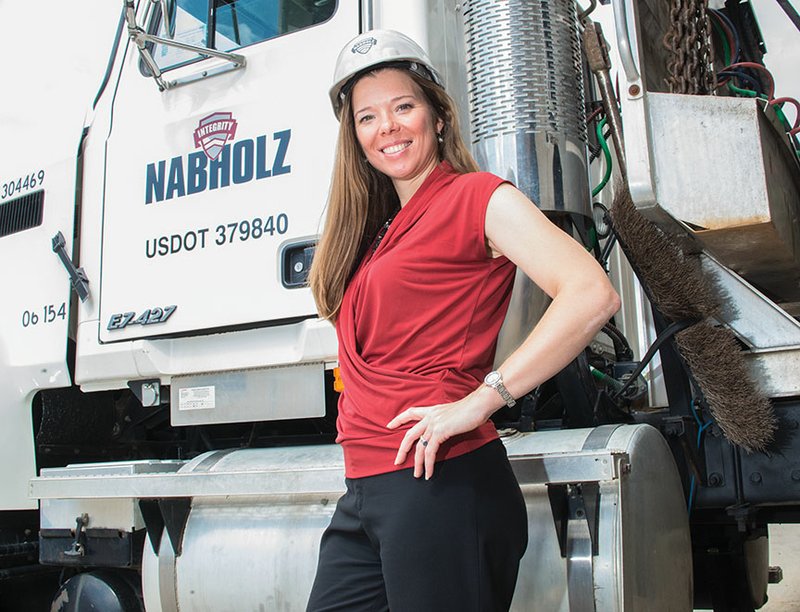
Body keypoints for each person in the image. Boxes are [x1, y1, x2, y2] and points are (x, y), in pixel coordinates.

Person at [306, 29, 620, 612]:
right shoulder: (378, 234)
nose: (388, 128)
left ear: (437, 115)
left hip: (441, 481)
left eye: (404, 106)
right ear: (354, 137)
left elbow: (590, 292)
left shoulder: (477, 197)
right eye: (368, 117)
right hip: (369, 487)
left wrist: (482, 400)